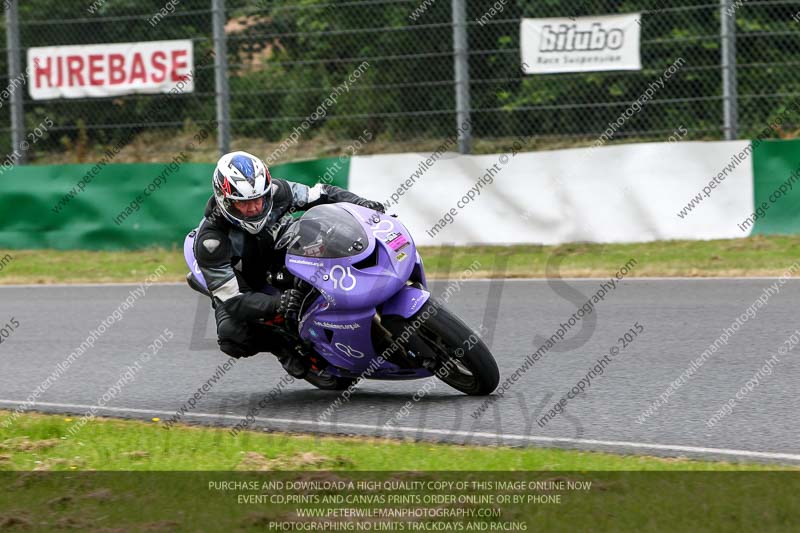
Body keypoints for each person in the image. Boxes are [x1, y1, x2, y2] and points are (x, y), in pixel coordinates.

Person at [191, 151, 384, 377]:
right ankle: (281, 346)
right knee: (231, 335)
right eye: (244, 203)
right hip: (248, 286)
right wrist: (278, 303)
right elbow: (232, 300)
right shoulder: (210, 241)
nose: (254, 208)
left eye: (258, 199)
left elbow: (321, 194)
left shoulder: (276, 191)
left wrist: (361, 204)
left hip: (285, 252)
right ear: (226, 201)